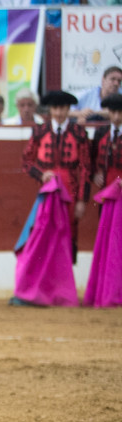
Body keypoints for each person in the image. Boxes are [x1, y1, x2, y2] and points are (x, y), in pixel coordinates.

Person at [12, 90, 90, 306]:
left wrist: (82, 200)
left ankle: (60, 289)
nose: (59, 112)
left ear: (68, 110)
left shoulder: (79, 133)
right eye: (56, 108)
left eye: (63, 108)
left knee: (66, 239)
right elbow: (26, 162)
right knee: (42, 237)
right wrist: (41, 174)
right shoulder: (39, 131)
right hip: (47, 194)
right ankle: (42, 288)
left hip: (70, 193)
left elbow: (85, 168)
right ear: (50, 110)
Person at [85, 94, 122, 308]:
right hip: (108, 196)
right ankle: (107, 291)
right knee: (109, 243)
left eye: (120, 112)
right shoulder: (101, 133)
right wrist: (95, 174)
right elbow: (88, 162)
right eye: (113, 112)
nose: (116, 116)